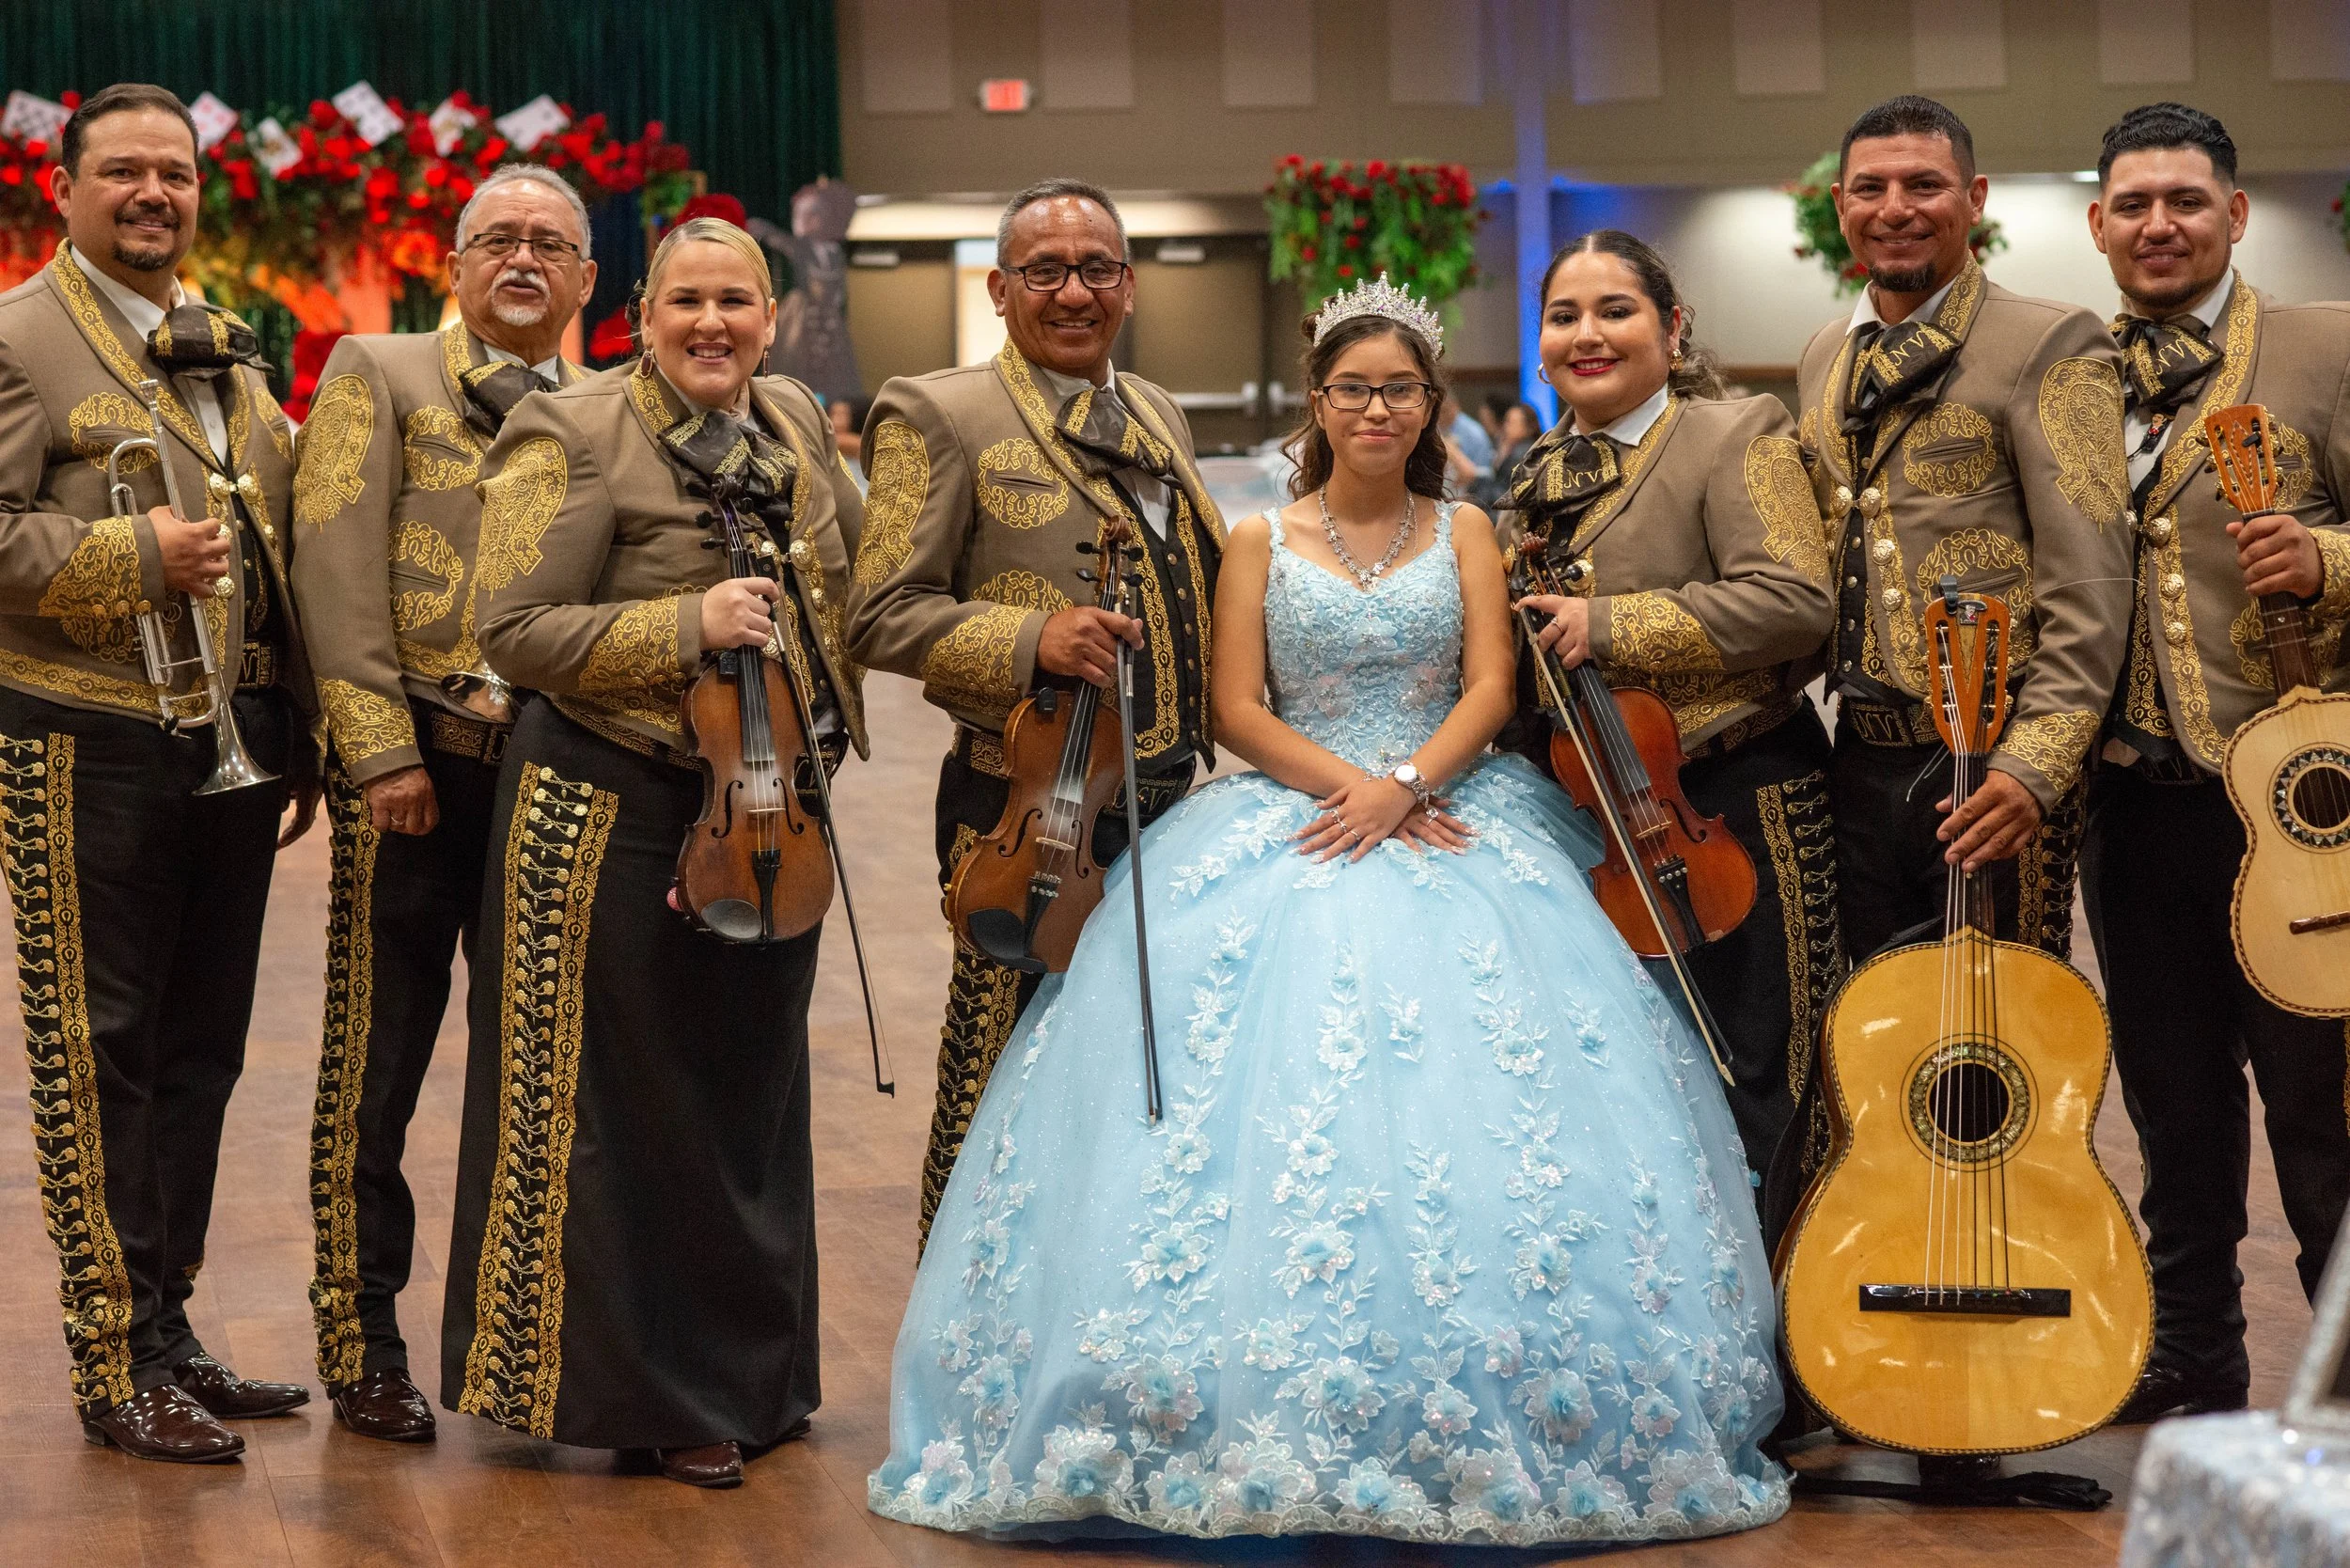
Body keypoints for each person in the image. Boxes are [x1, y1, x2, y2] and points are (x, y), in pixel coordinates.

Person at [868, 274, 1787, 1546]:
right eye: (1352, 388)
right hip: (1295, 813)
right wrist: (1349, 787)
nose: (1375, 408)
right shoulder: (1260, 536)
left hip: (1452, 811)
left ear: (1429, 405)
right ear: (1319, 403)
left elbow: (1487, 682)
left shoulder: (1466, 529)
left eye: (1399, 388)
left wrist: (1409, 785)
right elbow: (1241, 708)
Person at [443, 216, 866, 1489]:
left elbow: (838, 583)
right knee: (636, 1112)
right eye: (687, 301)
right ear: (640, 312)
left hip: (764, 804)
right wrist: (683, 621)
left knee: (748, 1096)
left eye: (737, 300)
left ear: (771, 318)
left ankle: (755, 1379)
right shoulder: (570, 433)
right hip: (606, 808)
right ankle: (655, 1397)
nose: (713, 324)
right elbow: (508, 628)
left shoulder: (788, 423)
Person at [0, 83, 319, 1463]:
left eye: (174, 175)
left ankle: (168, 1330)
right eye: (121, 171)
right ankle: (105, 1357)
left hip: (224, 751)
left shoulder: (224, 345)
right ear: (61, 190)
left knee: (200, 1055)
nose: (151, 194)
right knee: (99, 1054)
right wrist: (133, 559)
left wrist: (296, 721)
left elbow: (275, 541)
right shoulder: (16, 341)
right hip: (84, 738)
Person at [846, 179, 1224, 1247]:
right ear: (999, 289)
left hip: (1166, 809)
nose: (1073, 291)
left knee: (1117, 1079)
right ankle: (955, 1328)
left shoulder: (1157, 410)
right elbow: (876, 612)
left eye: (1096, 268)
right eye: (1046, 271)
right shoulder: (939, 409)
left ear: (1129, 286)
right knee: (994, 1077)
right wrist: (1029, 642)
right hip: (1025, 801)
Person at [289, 163, 596, 1443]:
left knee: (551, 1071)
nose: (523, 260)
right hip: (422, 769)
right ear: (456, 264)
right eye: (498, 240)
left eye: (551, 245)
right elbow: (332, 569)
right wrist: (376, 755)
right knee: (377, 1069)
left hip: (563, 779)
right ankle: (361, 1342)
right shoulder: (381, 371)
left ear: (587, 280)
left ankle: (536, 1349)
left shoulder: (609, 407)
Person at [2080, 103, 2350, 1424]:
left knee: (2321, 1103)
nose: (2159, 225)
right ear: (2098, 226)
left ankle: (2347, 1375)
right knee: (2173, 1099)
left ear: (2235, 215)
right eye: (2133, 205)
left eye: (2184, 201)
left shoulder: (2321, 348)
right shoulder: (2068, 372)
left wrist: (2330, 557)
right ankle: (2193, 1353)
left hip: (2299, 806)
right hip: (2132, 801)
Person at [1509, 231, 1838, 1243]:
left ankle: (1805, 1335)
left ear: (1673, 325)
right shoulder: (1535, 475)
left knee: (1770, 1079)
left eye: (1615, 310)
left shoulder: (1734, 432)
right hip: (1598, 821)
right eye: (1564, 316)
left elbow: (1795, 600)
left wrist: (1606, 625)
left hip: (1735, 802)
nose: (1587, 335)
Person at [1794, 96, 2131, 964]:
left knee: (1999, 1047)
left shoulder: (2049, 338)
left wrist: (2036, 767)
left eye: (1925, 183)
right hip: (1859, 755)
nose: (1895, 207)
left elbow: (2093, 581)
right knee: (1877, 1036)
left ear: (1974, 196)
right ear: (1841, 206)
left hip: (1991, 754)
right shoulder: (1825, 353)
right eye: (1870, 187)